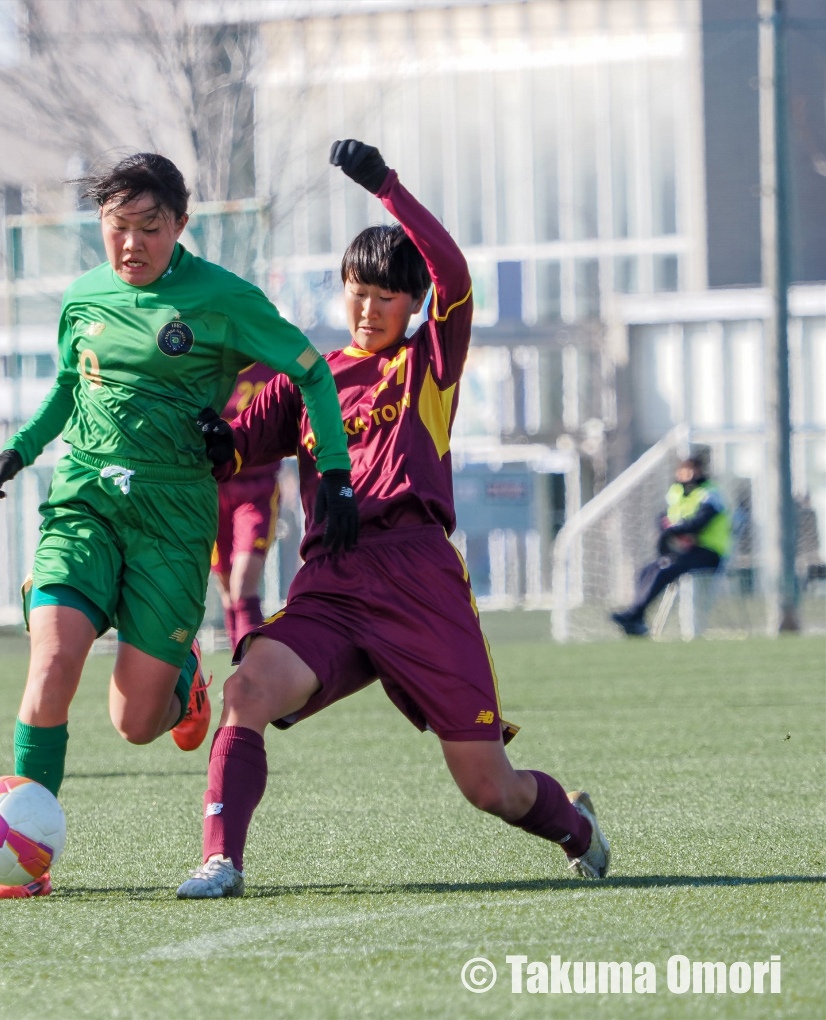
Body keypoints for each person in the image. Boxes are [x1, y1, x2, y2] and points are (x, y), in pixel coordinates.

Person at [175, 140, 610, 899]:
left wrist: (387, 187)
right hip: (334, 585)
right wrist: (211, 434)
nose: (367, 309)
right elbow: (233, 453)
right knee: (246, 691)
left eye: (384, 296)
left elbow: (456, 276)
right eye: (355, 291)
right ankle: (222, 861)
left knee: (488, 787)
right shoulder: (308, 377)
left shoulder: (427, 364)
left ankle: (575, 826)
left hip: (419, 581)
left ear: (411, 307)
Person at [0, 152, 356, 898]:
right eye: (117, 227)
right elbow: (66, 387)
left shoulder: (222, 299)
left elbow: (311, 370)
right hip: (83, 501)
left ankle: (182, 684)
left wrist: (336, 473)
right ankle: (27, 859)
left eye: (150, 228)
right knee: (52, 663)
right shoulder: (83, 297)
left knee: (136, 723)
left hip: (175, 521)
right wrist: (17, 453)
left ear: (181, 226)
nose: (131, 245)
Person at [611, 455, 730, 637]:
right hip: (684, 550)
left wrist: (676, 532)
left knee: (666, 569)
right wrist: (669, 532)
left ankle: (634, 615)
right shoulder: (677, 493)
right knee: (649, 569)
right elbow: (664, 518)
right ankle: (636, 618)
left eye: (692, 469)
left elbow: (700, 521)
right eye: (684, 469)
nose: (687, 474)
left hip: (709, 552)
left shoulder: (709, 493)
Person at [212, 363, 282, 651]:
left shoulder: (275, 361)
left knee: (243, 589)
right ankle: (240, 673)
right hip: (212, 490)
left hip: (257, 490)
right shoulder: (210, 360)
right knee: (228, 592)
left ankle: (252, 673)